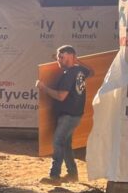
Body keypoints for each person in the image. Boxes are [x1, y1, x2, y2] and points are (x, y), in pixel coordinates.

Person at [36, 45, 92, 185]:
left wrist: (44, 88)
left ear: (71, 56)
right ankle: (72, 174)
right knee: (66, 144)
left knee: (58, 142)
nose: (59, 60)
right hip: (75, 115)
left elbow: (61, 96)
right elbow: (91, 71)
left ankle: (54, 176)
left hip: (68, 116)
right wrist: (76, 60)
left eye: (62, 57)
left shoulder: (70, 74)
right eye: (58, 57)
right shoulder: (80, 70)